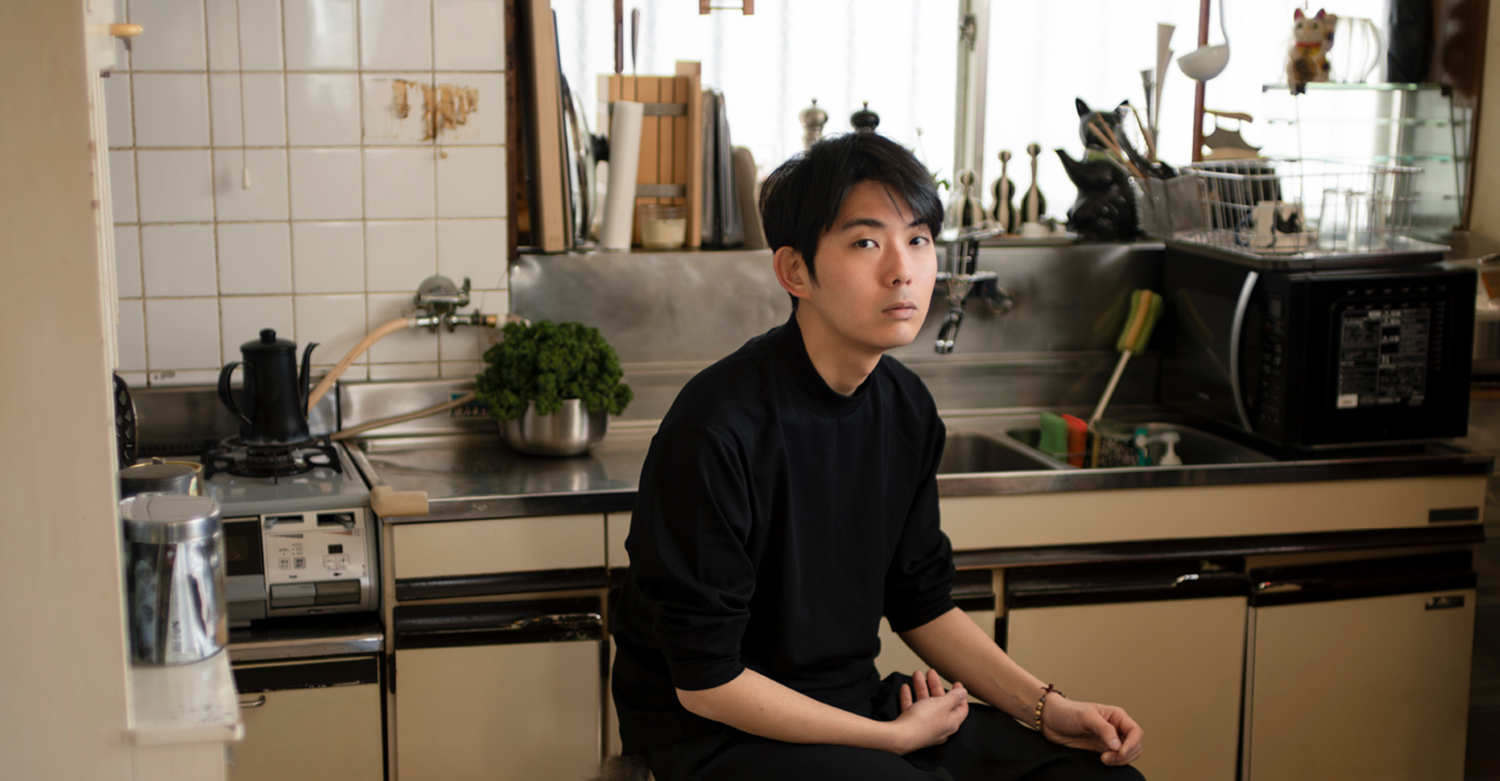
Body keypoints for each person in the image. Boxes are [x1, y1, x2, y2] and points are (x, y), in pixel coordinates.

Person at [608, 132, 1145, 781]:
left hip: (852, 705)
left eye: (918, 239)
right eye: (866, 242)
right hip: (715, 734)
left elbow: (922, 601)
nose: (903, 270)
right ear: (795, 271)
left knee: (1103, 776)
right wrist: (890, 739)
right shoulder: (716, 429)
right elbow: (706, 682)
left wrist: (1048, 708)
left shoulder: (905, 406)